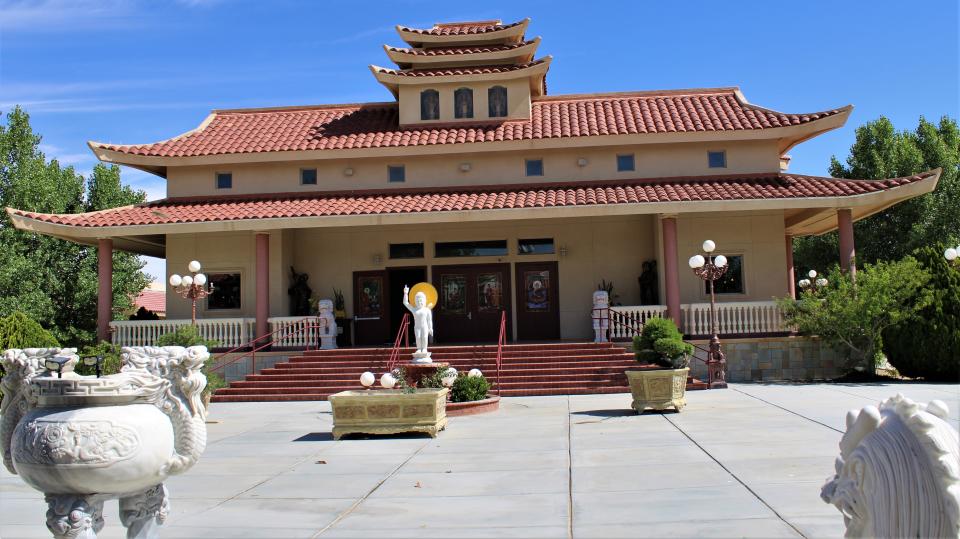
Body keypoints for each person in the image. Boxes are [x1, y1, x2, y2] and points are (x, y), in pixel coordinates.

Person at [403, 285, 434, 360]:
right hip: (417, 327)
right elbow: (405, 303)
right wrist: (406, 293)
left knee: (424, 337)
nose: (420, 302)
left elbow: (429, 320)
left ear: (425, 300)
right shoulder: (414, 310)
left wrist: (430, 328)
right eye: (418, 300)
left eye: (421, 300)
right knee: (418, 337)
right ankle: (419, 348)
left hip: (425, 326)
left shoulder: (427, 310)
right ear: (415, 301)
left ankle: (424, 348)